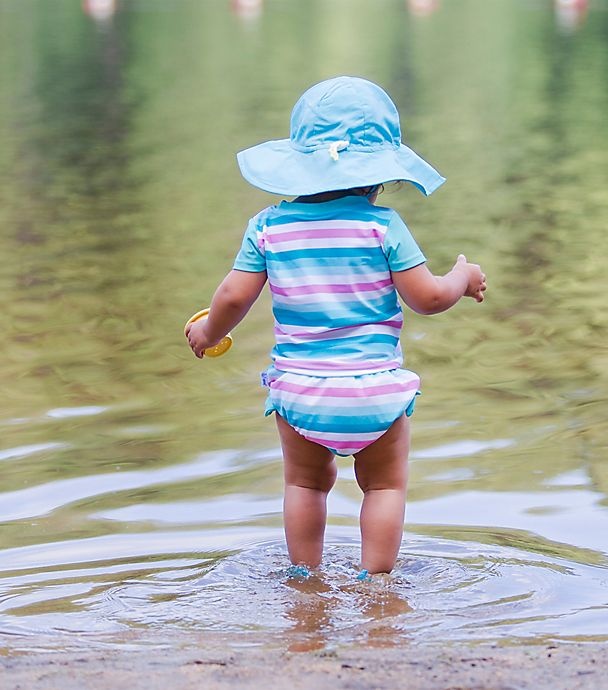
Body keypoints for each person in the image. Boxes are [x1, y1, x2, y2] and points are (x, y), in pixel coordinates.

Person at [185, 76, 487, 578]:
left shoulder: (268, 226)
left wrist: (209, 333)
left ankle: (305, 578)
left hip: (301, 391)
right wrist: (462, 276)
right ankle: (378, 583)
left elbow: (234, 296)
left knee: (304, 485)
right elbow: (428, 299)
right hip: (374, 392)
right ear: (381, 175)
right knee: (385, 487)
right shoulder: (382, 226)